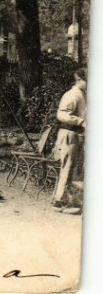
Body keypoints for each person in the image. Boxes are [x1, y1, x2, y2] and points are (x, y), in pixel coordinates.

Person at [52, 69, 86, 214]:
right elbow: (62, 114)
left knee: (76, 169)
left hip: (77, 135)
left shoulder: (82, 95)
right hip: (69, 134)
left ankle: (71, 201)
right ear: (79, 80)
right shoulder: (72, 95)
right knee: (68, 167)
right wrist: (80, 121)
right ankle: (60, 200)